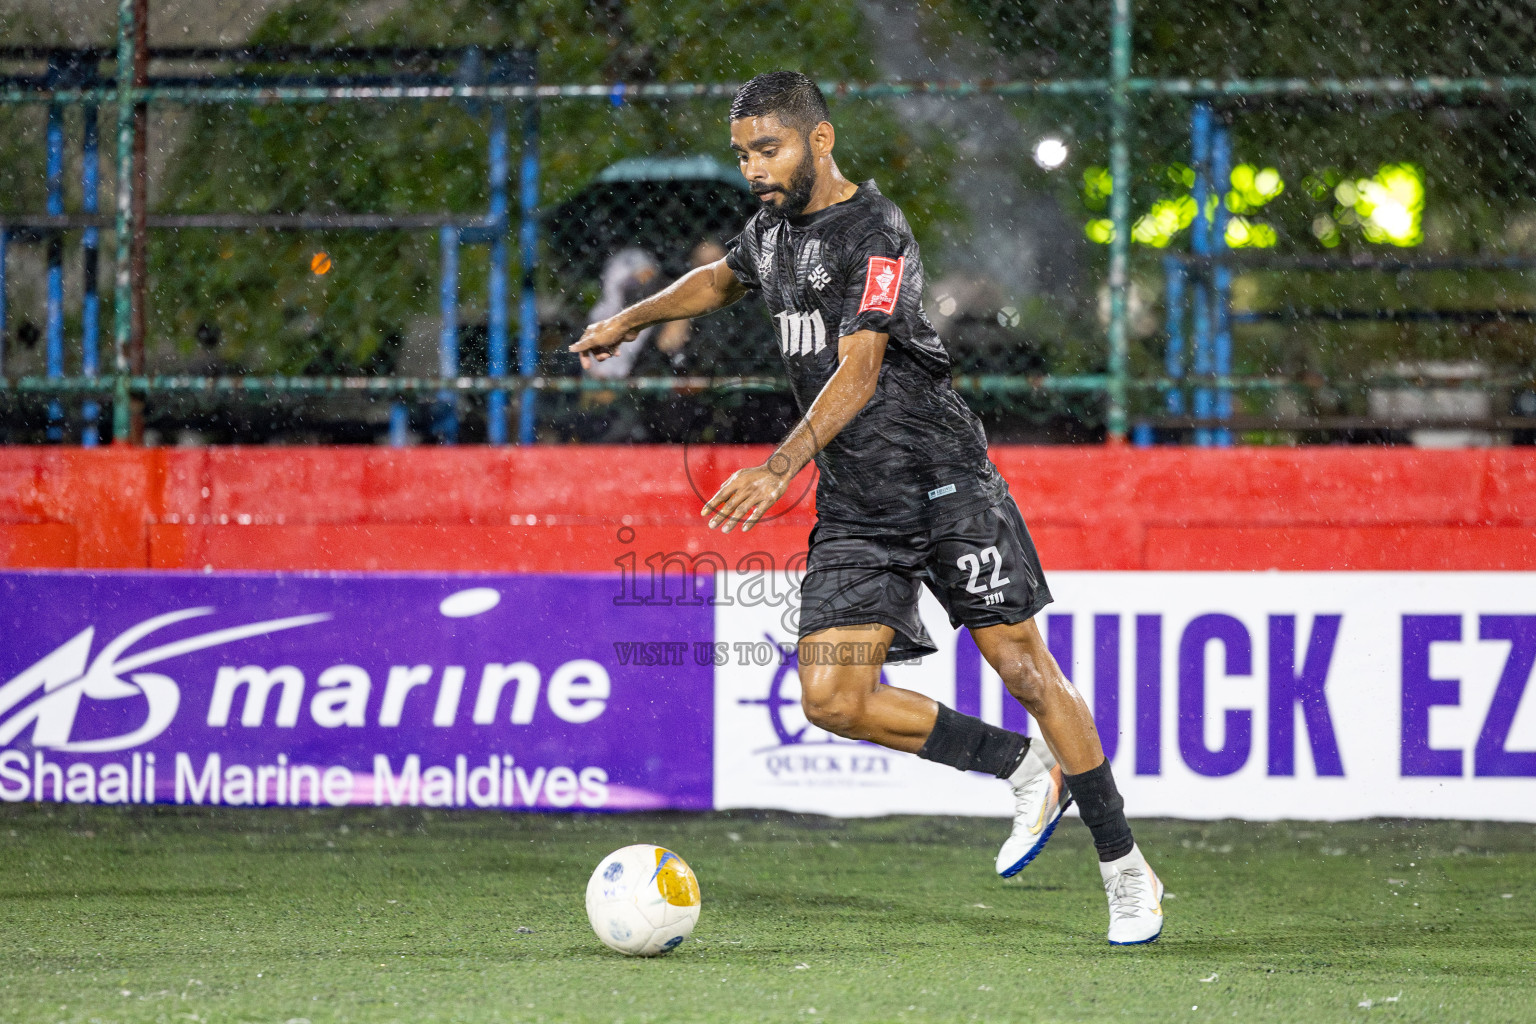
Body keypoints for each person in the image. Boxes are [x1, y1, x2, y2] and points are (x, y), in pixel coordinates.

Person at [571, 71, 1163, 944]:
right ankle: (1022, 767)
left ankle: (1125, 870)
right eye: (742, 154)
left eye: (766, 149)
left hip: (943, 482)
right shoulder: (769, 234)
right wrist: (629, 319)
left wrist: (779, 466)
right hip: (858, 506)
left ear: (820, 139)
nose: (753, 169)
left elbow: (860, 371)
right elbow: (712, 282)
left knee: (1028, 671)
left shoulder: (876, 231)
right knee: (832, 698)